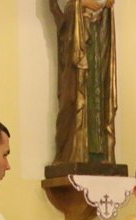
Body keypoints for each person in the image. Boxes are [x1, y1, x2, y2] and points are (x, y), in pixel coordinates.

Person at [49, 0, 117, 165]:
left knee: (97, 91)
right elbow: (55, 6)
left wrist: (106, 5)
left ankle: (98, 152)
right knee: (74, 96)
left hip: (97, 32)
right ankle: (73, 152)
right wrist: (79, 4)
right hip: (76, 37)